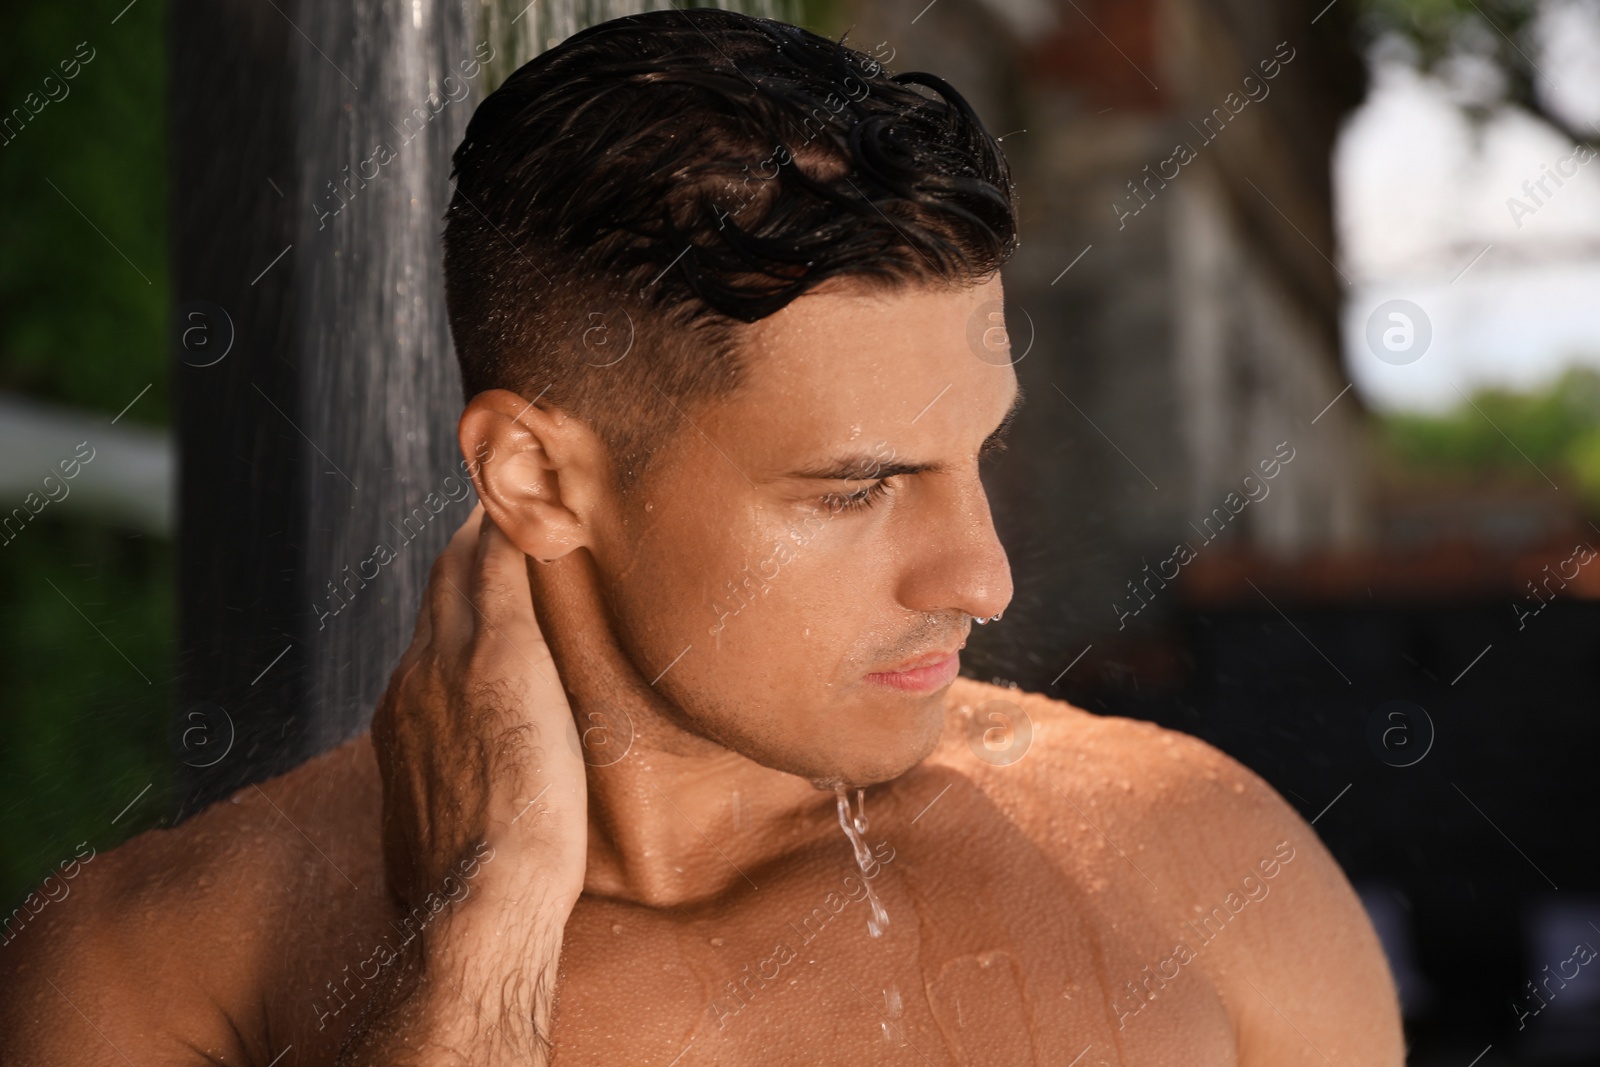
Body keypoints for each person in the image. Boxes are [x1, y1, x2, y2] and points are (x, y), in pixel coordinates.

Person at [0, 9, 1404, 1065]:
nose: (982, 577)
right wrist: (476, 943)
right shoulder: (154, 972)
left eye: (973, 453)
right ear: (537, 479)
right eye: (855, 487)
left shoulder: (1204, 863)